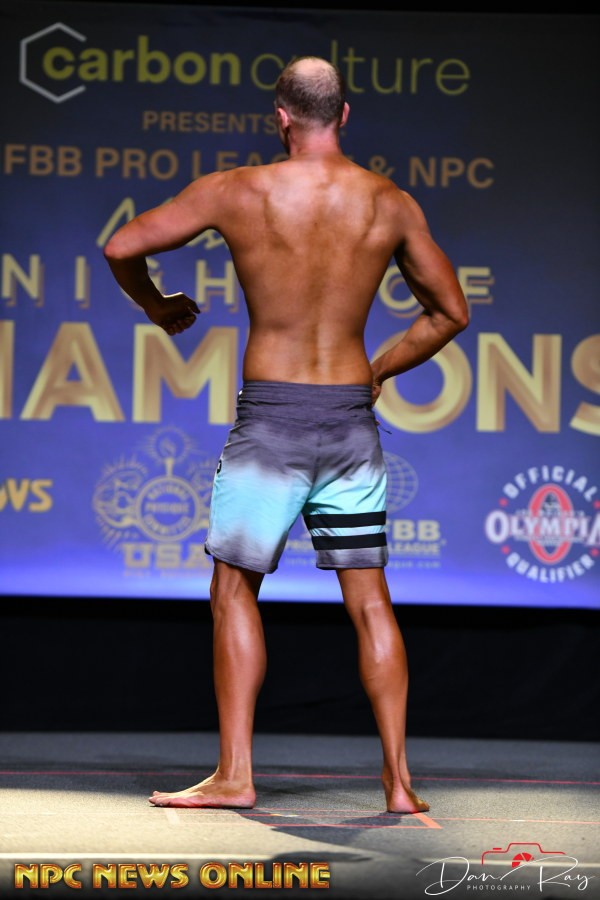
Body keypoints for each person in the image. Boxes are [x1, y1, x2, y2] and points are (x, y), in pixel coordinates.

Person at [104, 55, 469, 814]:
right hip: (350, 421)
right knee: (370, 602)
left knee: (234, 588)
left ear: (280, 117)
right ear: (344, 114)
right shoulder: (389, 203)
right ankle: (399, 783)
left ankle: (236, 775)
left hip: (271, 420)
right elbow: (450, 313)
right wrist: (378, 369)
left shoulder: (238, 190)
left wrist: (157, 306)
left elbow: (121, 247)